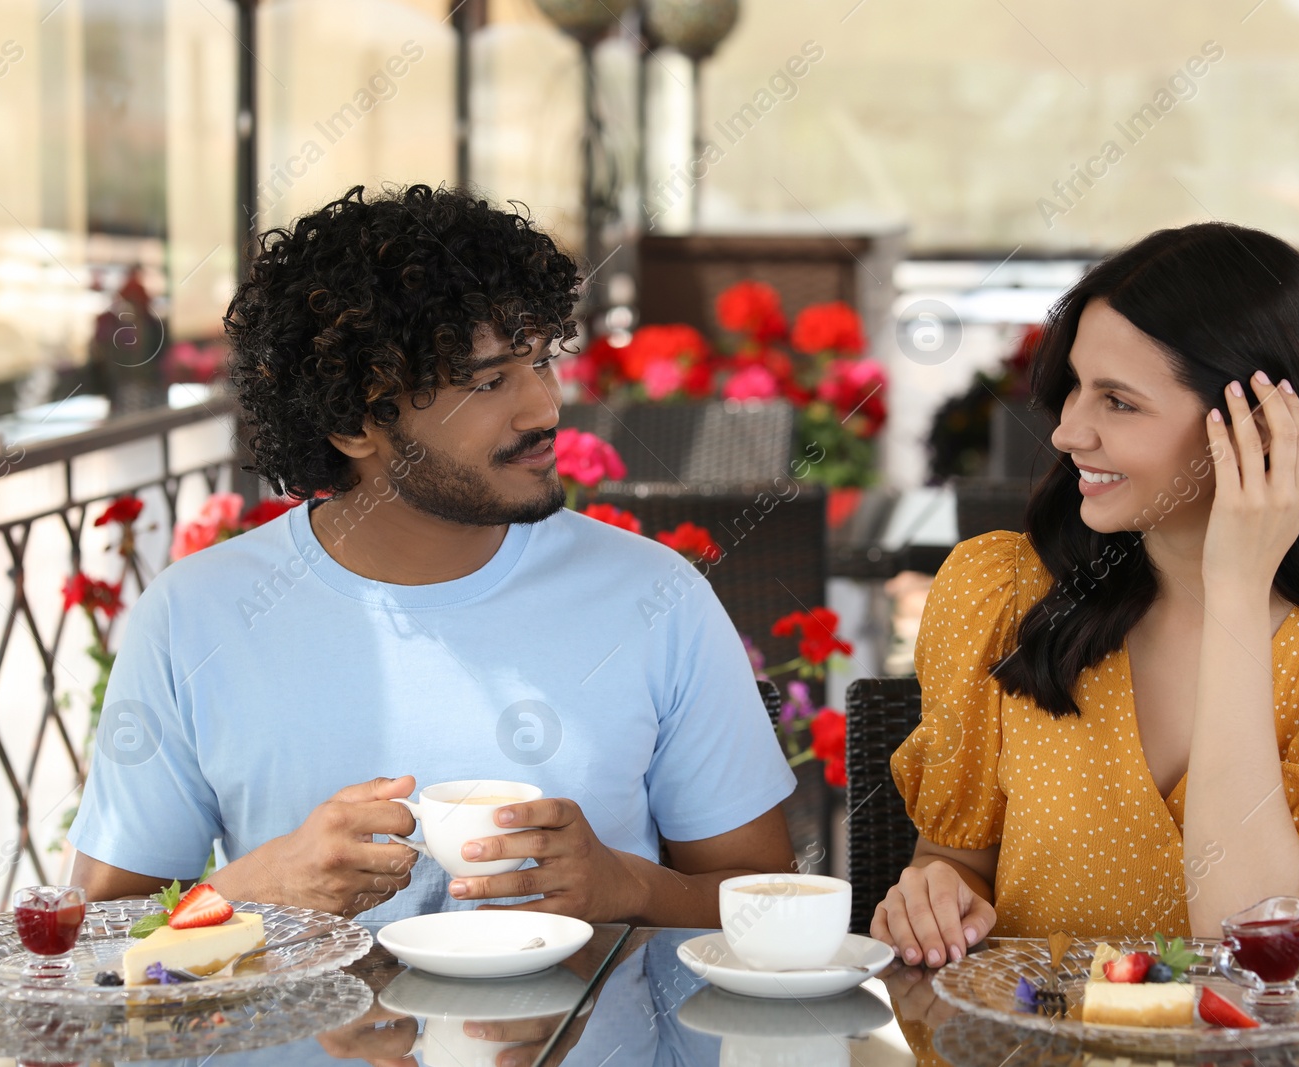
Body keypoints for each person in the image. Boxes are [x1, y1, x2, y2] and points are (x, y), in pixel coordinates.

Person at [67, 184, 798, 925]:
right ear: (355, 424)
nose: (544, 408)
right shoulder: (198, 614)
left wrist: (628, 887)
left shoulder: (655, 596)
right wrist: (261, 883)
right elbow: (102, 933)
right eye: (488, 381)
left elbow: (770, 903)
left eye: (540, 361)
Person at [873, 222, 1299, 968]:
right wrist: (933, 890)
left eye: (1119, 403)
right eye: (1075, 386)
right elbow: (953, 857)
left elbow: (1242, 939)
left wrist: (1234, 588)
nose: (1069, 430)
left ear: (1257, 429)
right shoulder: (999, 594)